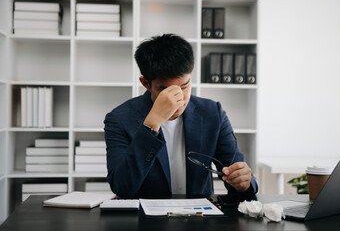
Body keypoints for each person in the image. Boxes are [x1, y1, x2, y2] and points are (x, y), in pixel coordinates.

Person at [104, 33, 258, 198]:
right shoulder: (120, 119)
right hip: (146, 220)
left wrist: (244, 182)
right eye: (166, 90)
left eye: (185, 86)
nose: (179, 98)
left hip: (199, 219)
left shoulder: (213, 113)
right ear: (146, 84)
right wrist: (151, 124)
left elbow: (239, 175)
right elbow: (122, 187)